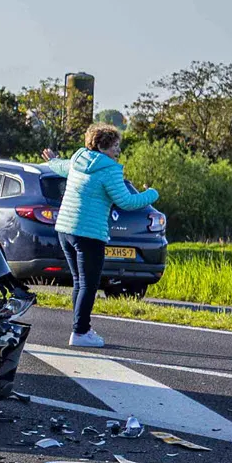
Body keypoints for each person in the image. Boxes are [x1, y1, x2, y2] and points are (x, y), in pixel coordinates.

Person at [53, 123, 158, 347]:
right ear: (103, 146)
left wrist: (52, 159)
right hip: (89, 234)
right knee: (89, 285)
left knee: (79, 282)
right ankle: (80, 333)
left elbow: (60, 167)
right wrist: (151, 194)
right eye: (115, 146)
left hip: (65, 230)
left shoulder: (77, 159)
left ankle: (80, 328)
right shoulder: (109, 169)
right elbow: (127, 202)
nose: (118, 151)